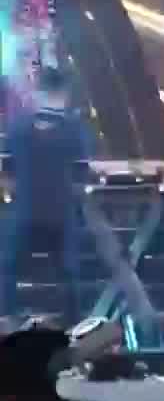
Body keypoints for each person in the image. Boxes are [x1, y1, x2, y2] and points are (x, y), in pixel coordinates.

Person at [0, 70, 92, 323]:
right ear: (64, 94)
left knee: (6, 268)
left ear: (37, 93)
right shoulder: (74, 129)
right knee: (68, 272)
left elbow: (6, 170)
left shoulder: (17, 127)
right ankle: (72, 323)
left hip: (24, 210)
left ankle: (7, 318)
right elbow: (82, 173)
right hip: (61, 213)